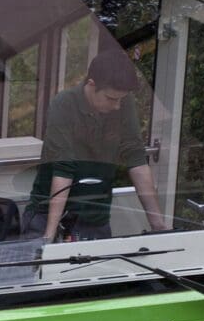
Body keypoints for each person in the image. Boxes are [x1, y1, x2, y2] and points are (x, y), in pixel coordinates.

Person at [26, 48, 170, 241]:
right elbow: (63, 168)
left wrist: (158, 225)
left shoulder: (122, 102)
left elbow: (135, 158)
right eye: (111, 99)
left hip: (95, 215)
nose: (117, 106)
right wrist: (49, 236)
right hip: (48, 213)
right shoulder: (64, 104)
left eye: (121, 99)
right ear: (91, 85)